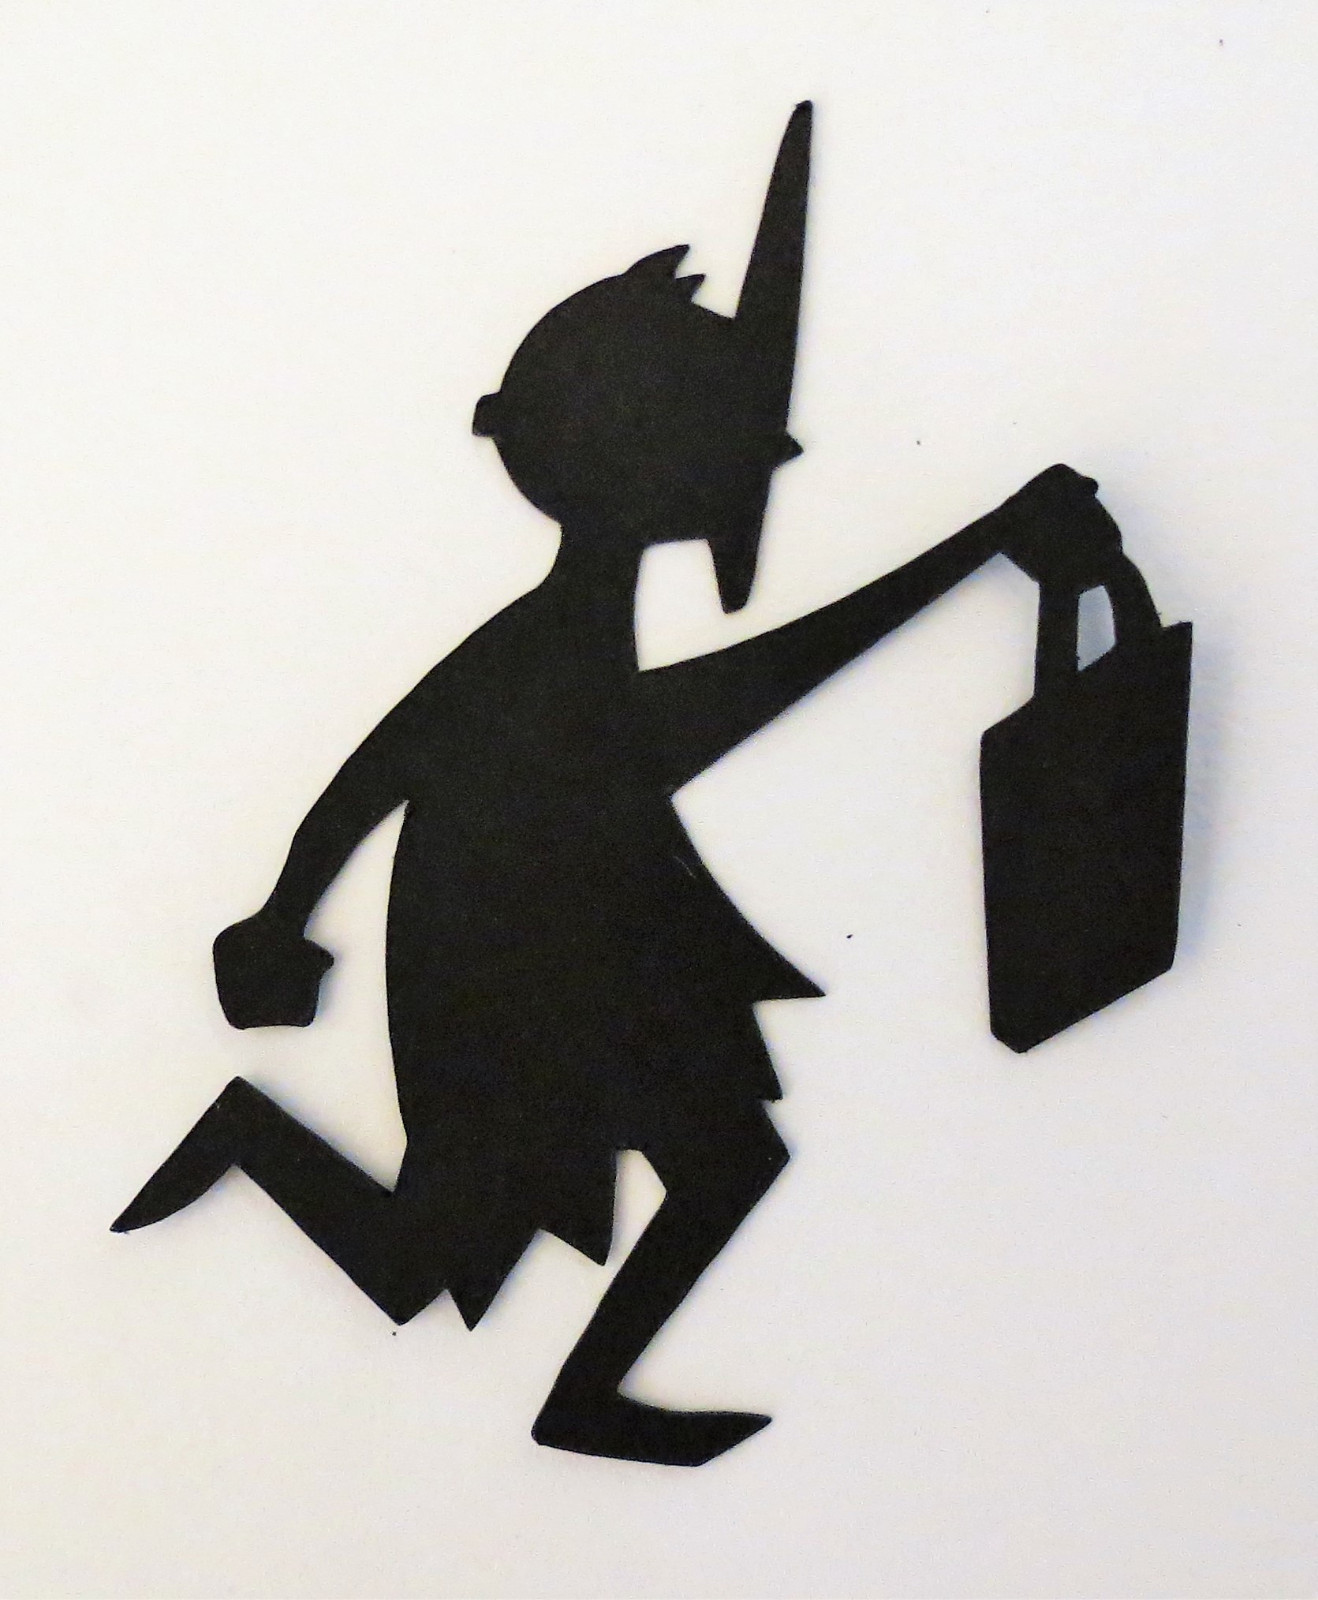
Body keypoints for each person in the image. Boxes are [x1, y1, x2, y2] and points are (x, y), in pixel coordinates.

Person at [113, 104, 1121, 1465]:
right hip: (515, 958)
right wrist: (982, 544)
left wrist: (285, 915)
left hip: (589, 934)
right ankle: (273, 1155)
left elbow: (422, 774)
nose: (763, 454)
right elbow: (425, 768)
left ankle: (556, 1378)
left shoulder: (571, 639)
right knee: (454, 1251)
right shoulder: (546, 651)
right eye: (722, 426)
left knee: (646, 1186)